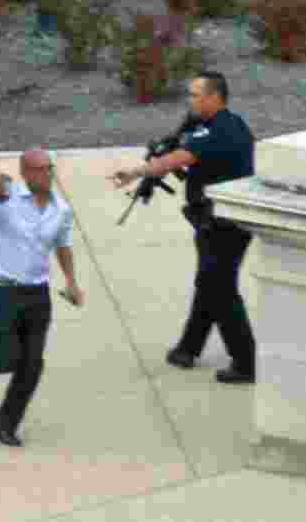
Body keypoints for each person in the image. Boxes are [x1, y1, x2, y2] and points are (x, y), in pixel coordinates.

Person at [110, 71, 256, 384]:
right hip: (225, 221)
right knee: (209, 284)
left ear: (215, 97)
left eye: (196, 95)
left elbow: (177, 158)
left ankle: (246, 361)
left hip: (222, 224)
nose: (190, 100)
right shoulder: (232, 123)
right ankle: (188, 349)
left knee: (220, 290)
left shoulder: (216, 131)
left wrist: (136, 171)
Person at [0, 149, 84, 447]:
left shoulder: (60, 209)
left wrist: (72, 281)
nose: (46, 174)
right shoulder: (4, 197)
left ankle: (3, 426)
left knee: (32, 365)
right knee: (5, 361)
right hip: (5, 291)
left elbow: (63, 245)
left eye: (49, 168)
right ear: (25, 172)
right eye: (39, 169)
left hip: (39, 294)